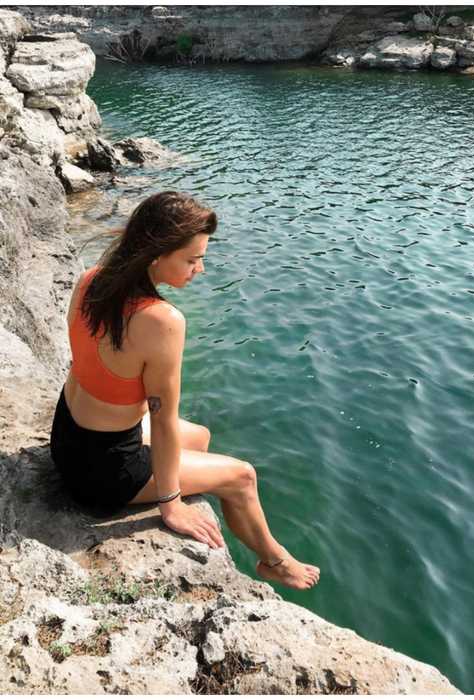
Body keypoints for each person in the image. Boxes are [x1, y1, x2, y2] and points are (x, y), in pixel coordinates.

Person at [50, 191, 320, 590]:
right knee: (242, 477)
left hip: (67, 436)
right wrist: (170, 504)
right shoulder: (163, 321)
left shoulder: (93, 278)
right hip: (101, 474)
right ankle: (274, 561)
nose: (201, 269)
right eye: (192, 259)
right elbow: (161, 420)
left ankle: (195, 485)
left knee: (201, 436)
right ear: (156, 255)